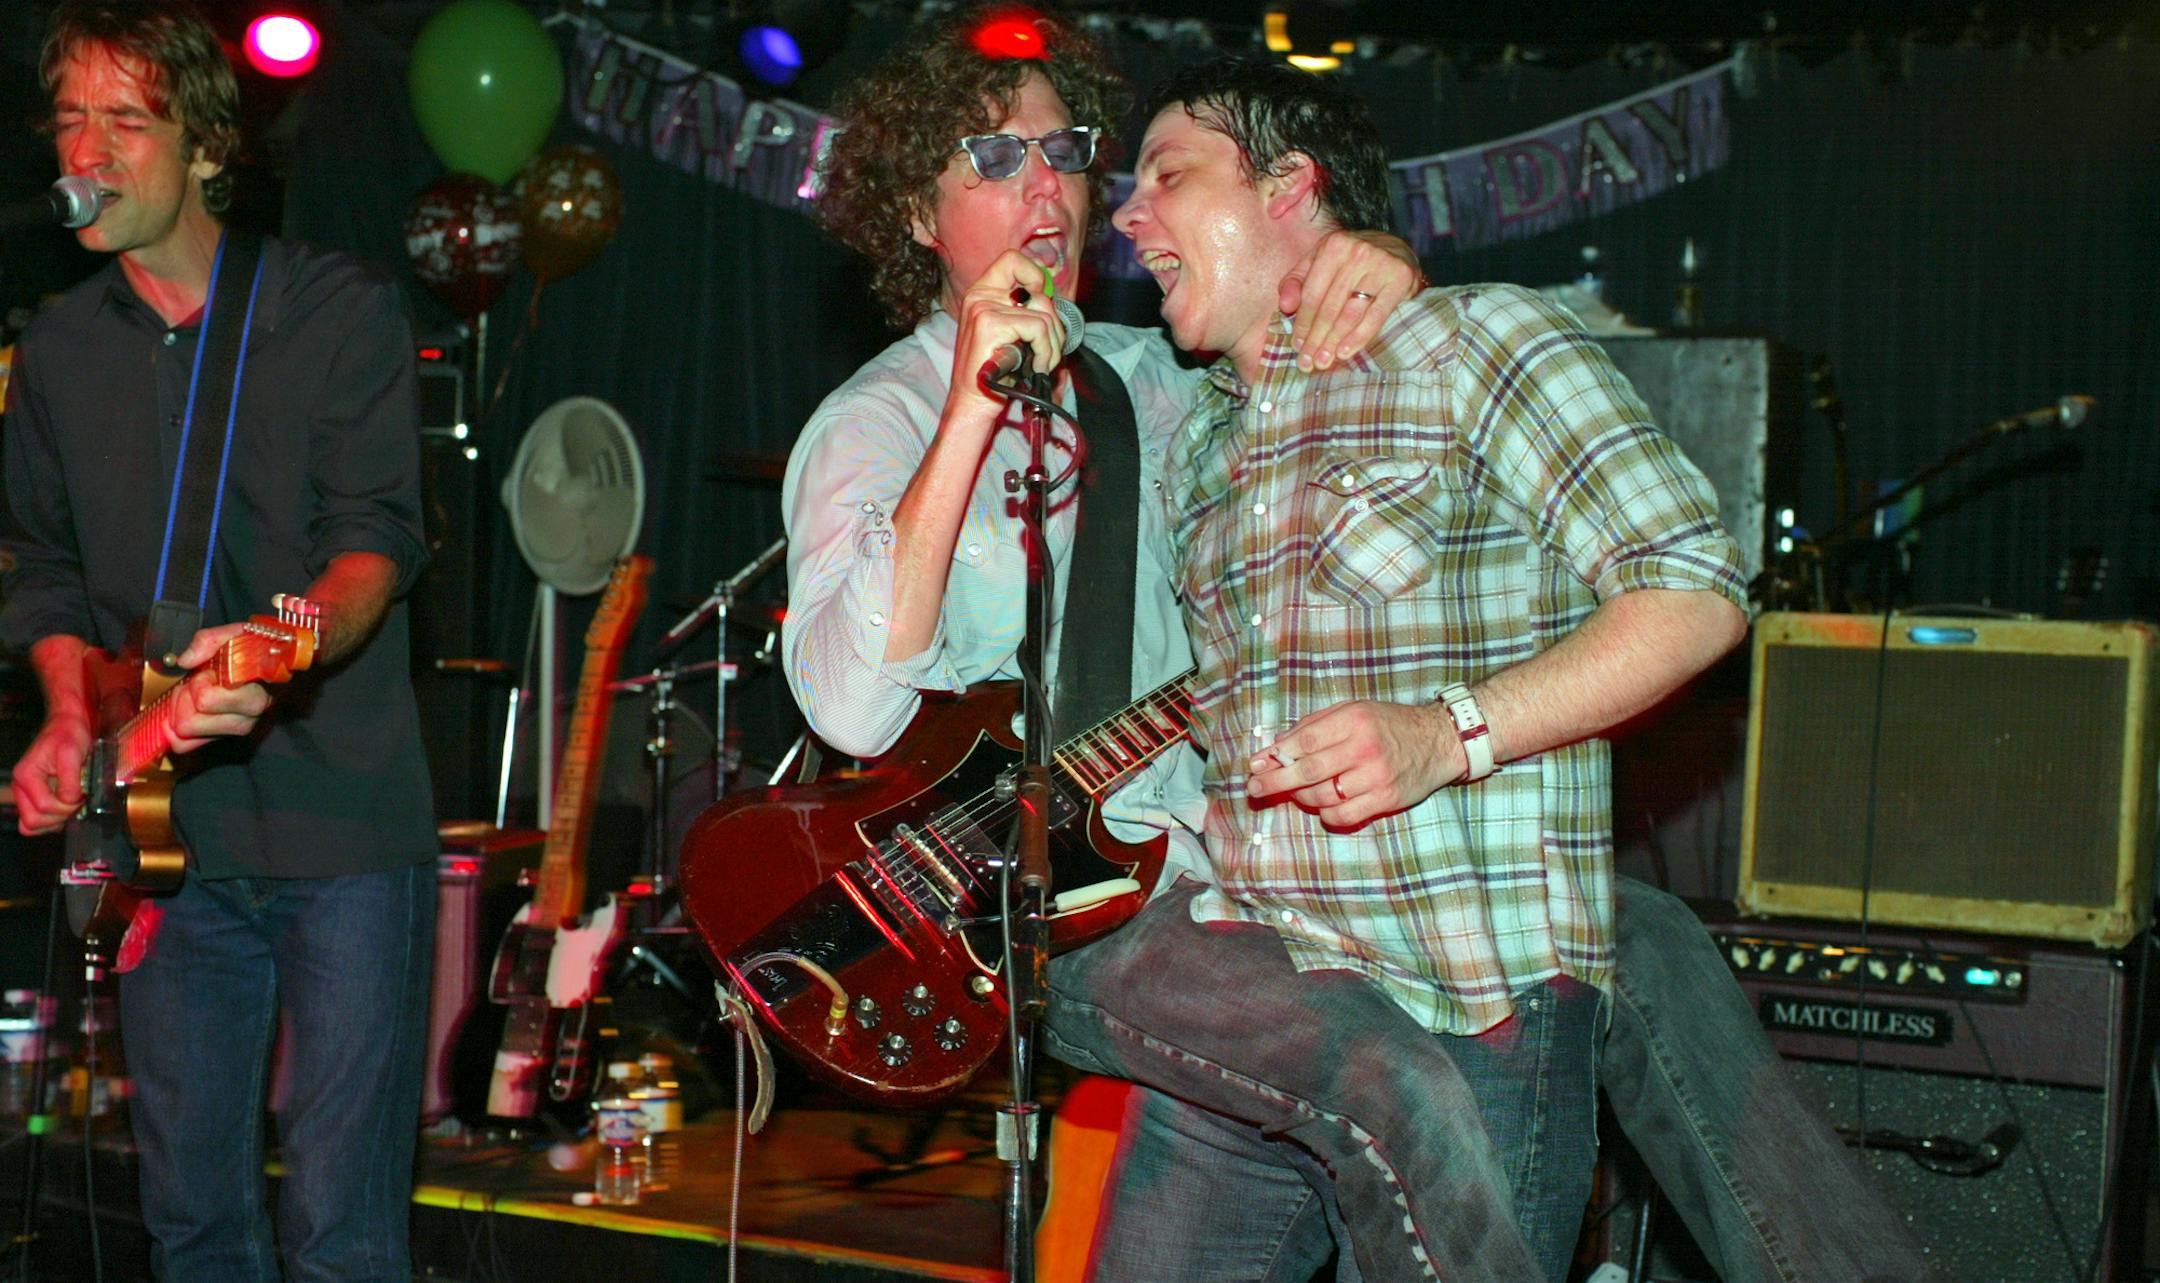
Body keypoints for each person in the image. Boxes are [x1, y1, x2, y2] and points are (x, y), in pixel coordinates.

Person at [1039, 56, 1755, 1282]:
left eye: (1166, 176)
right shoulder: (1200, 431)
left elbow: (1695, 590)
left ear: (1289, 187)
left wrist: (1448, 733)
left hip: (1469, 1008)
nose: (1126, 214)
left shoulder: (1478, 343)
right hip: (1267, 987)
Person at [1, 3, 437, 1280]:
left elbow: (378, 543)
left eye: (126, 120)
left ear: (205, 148)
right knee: (192, 1221)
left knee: (341, 1231)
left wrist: (285, 640)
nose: (88, 147)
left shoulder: (333, 308)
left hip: (343, 828)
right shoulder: (60, 346)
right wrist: (69, 715)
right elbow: (41, 571)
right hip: (153, 831)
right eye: (72, 117)